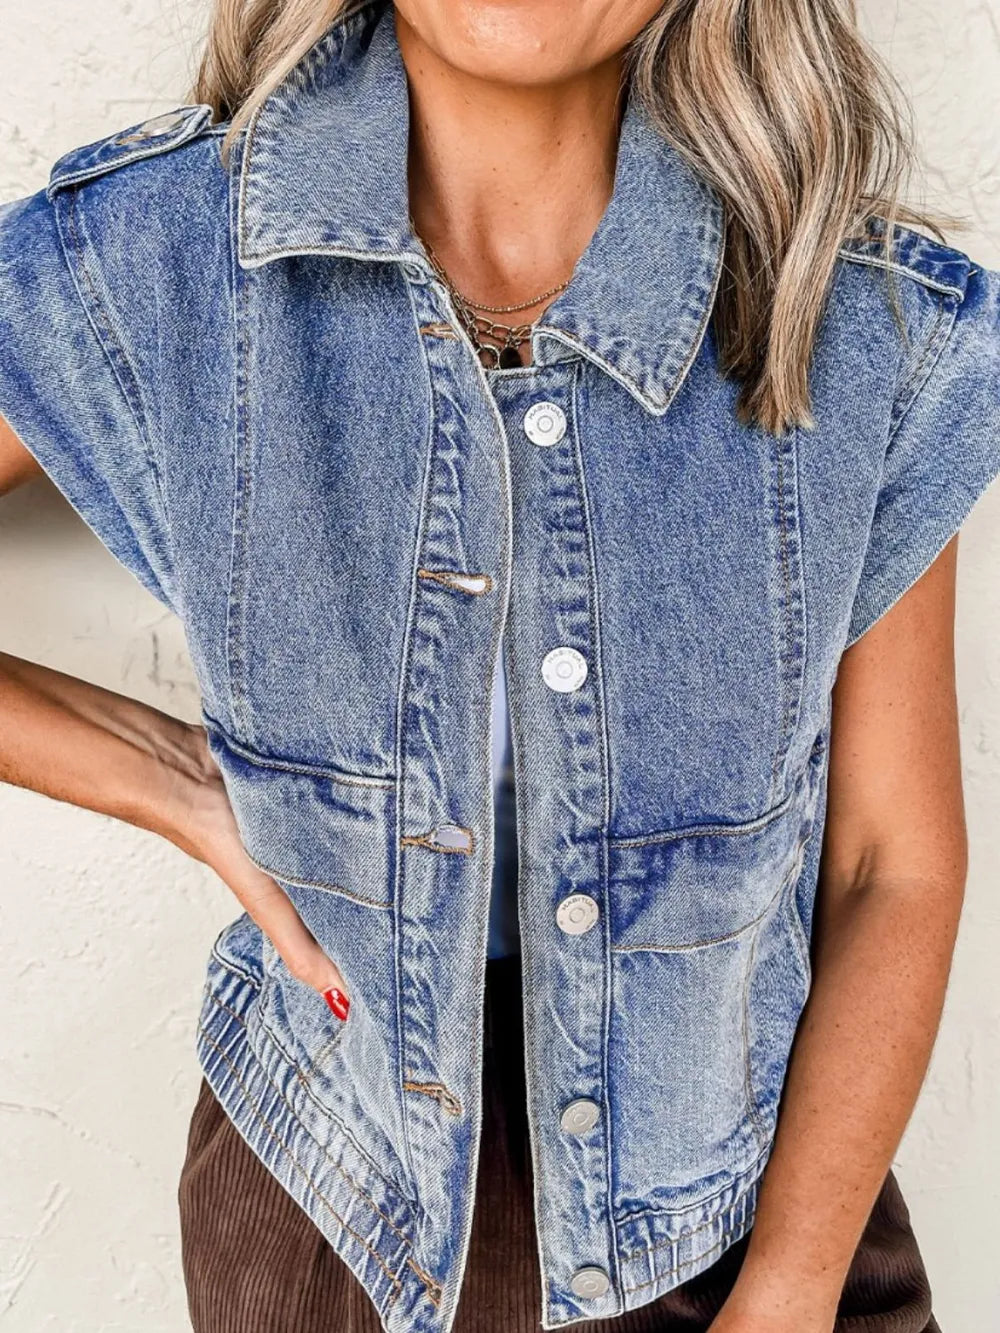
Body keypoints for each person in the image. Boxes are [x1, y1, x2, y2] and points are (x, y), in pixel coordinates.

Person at [1, 1, 998, 1330]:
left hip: (751, 1213)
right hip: (342, 1208)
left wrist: (793, 1286)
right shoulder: (154, 261)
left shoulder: (858, 317)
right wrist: (166, 781)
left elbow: (892, 863)